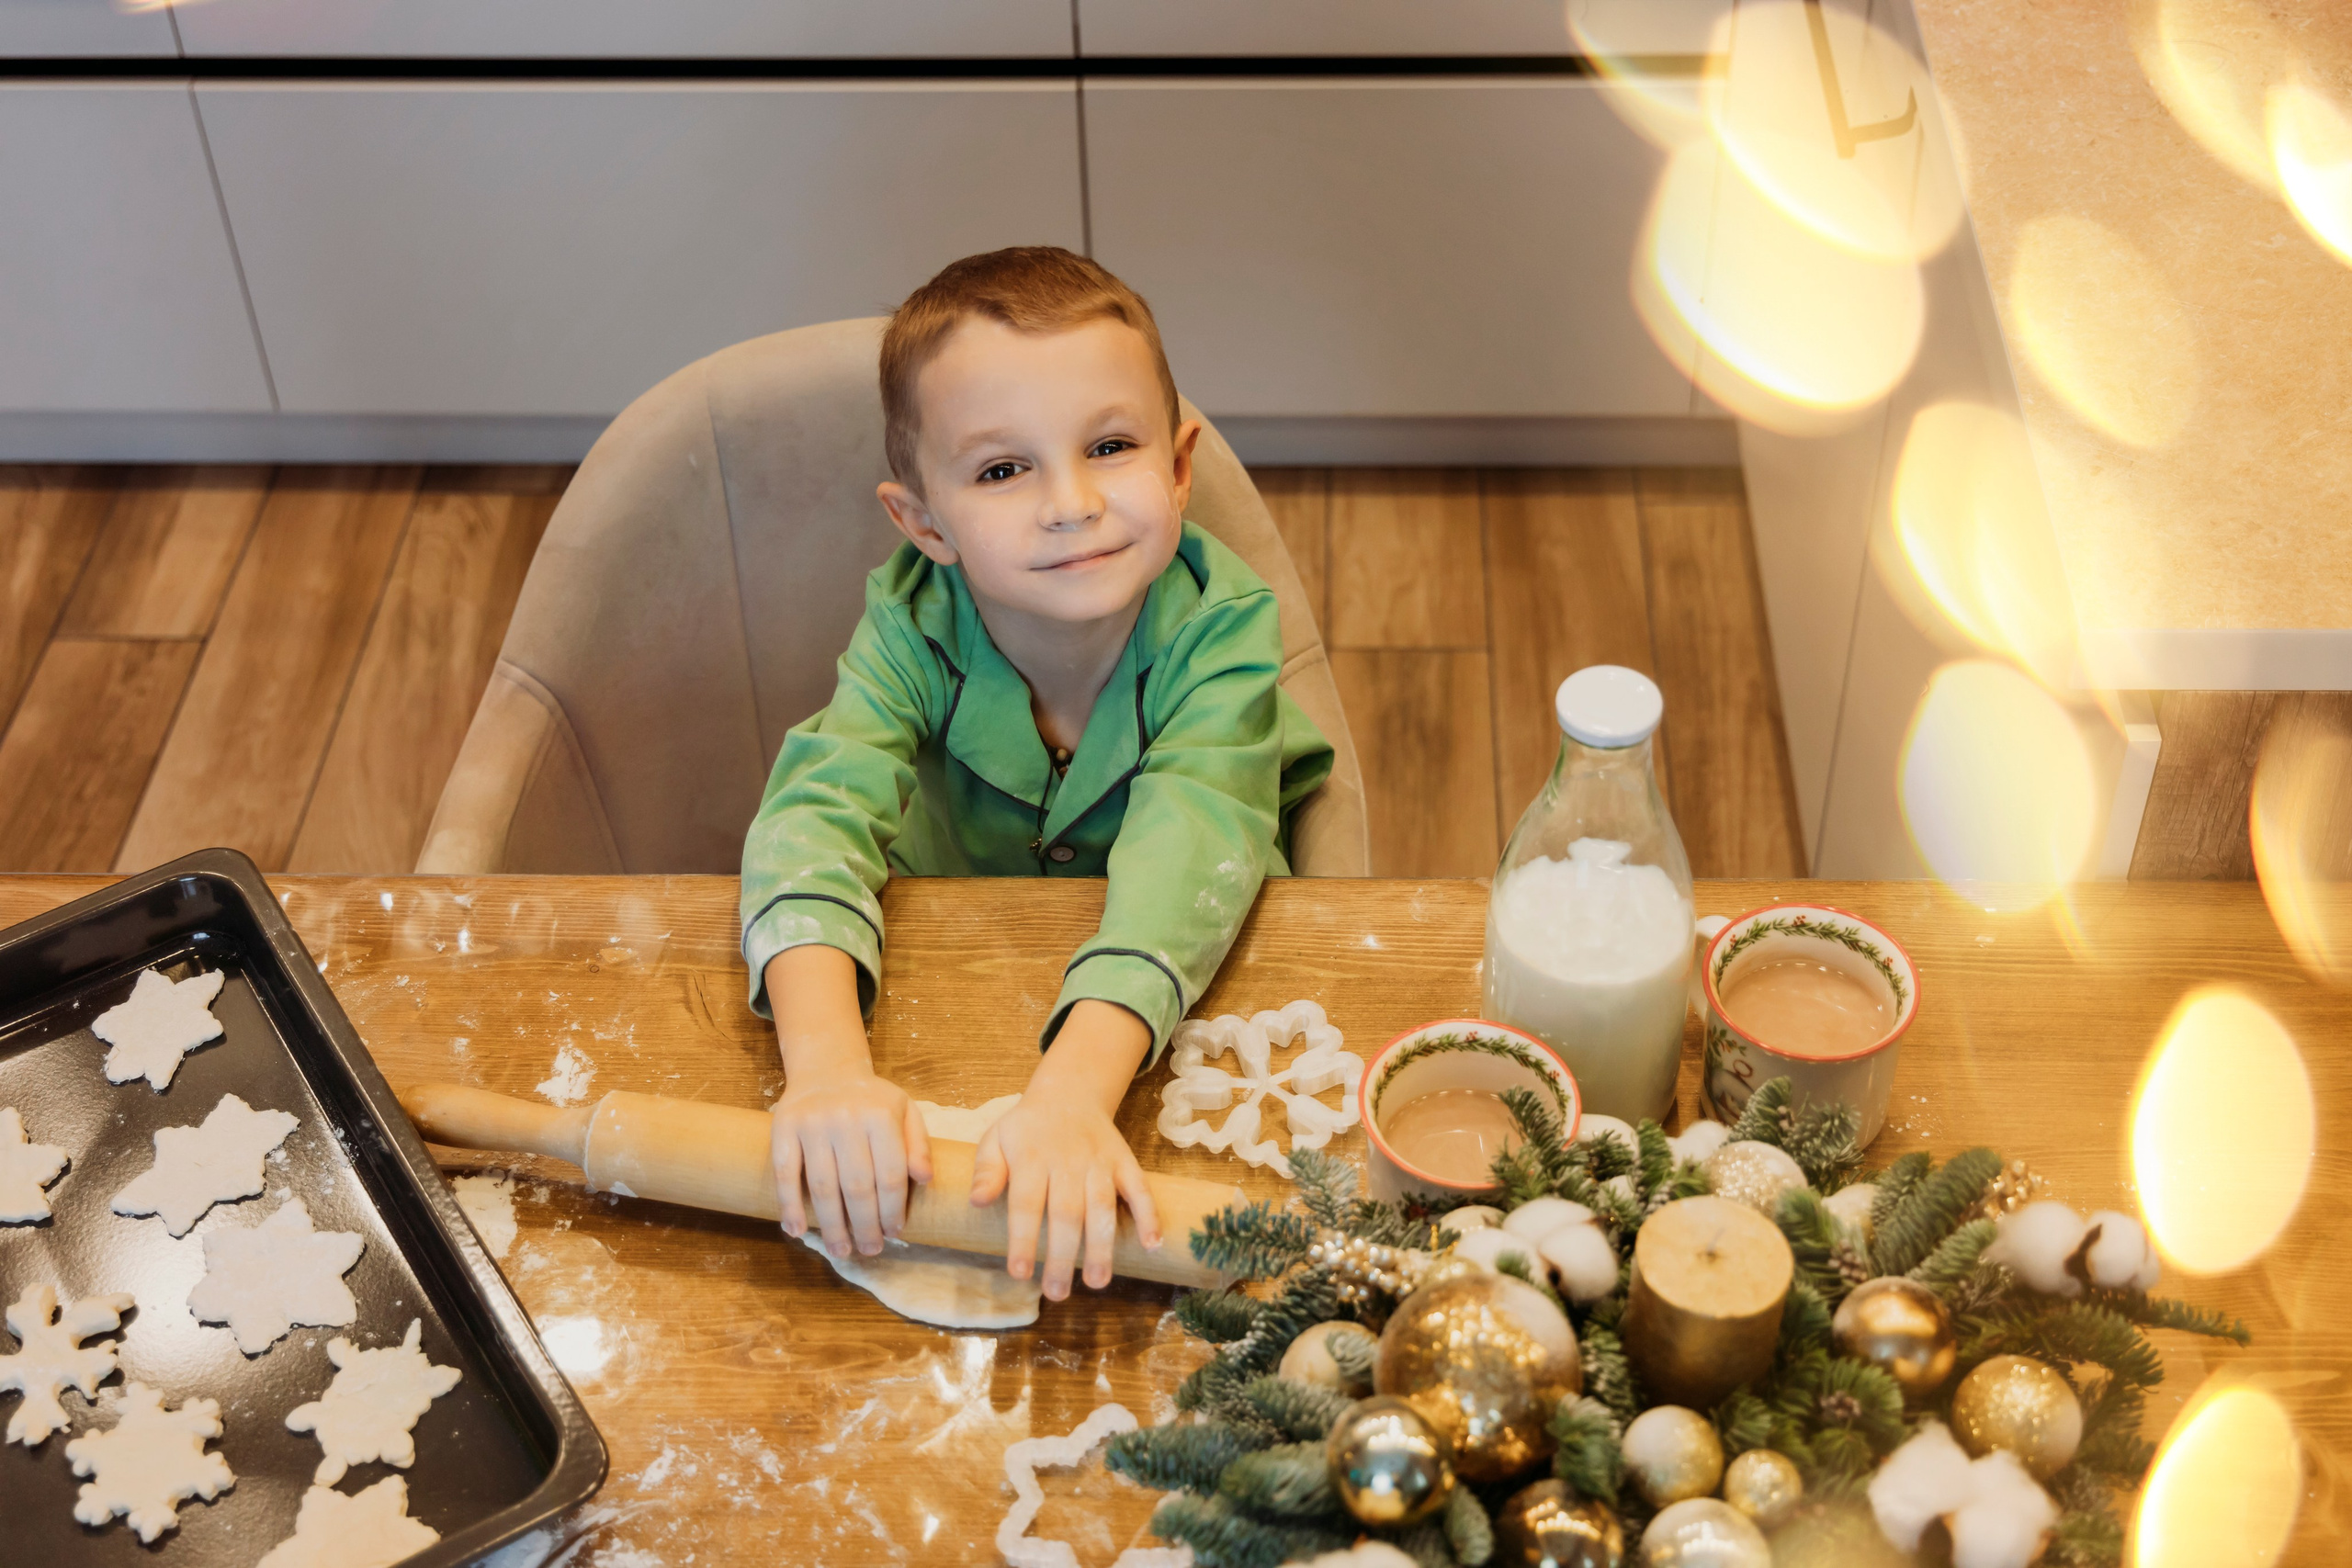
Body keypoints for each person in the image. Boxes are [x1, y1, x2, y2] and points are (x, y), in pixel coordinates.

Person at [739, 247, 1334, 1302]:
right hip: (941, 984)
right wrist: (828, 1073)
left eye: (1109, 446)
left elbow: (1191, 850)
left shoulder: (1221, 632)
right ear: (924, 523)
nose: (1071, 503)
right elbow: (813, 822)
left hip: (1168, 1019)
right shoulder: (911, 628)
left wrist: (1066, 1100)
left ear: (1181, 467)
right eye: (1003, 470)